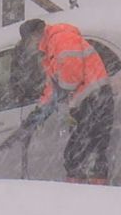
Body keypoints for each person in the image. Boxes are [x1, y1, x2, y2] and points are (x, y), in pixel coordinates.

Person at [17, 18, 115, 185]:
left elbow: (71, 76)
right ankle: (87, 192)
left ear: (35, 35)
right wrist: (37, 114)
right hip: (88, 102)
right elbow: (53, 88)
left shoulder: (61, 38)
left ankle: (86, 195)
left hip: (95, 99)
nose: (30, 46)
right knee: (83, 154)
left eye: (29, 41)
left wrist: (62, 93)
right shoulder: (49, 51)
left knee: (82, 155)